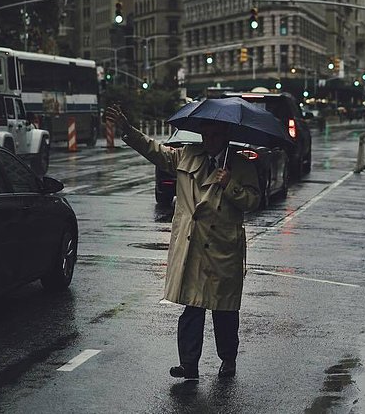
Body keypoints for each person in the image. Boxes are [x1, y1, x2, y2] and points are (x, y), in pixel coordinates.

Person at [104, 103, 260, 381]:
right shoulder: (188, 155)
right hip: (193, 245)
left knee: (224, 311)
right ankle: (189, 365)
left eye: (214, 135)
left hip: (223, 248)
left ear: (225, 135)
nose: (209, 140)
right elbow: (155, 150)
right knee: (192, 307)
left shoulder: (241, 165)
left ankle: (228, 360)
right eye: (205, 134)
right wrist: (127, 130)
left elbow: (252, 200)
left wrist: (230, 185)